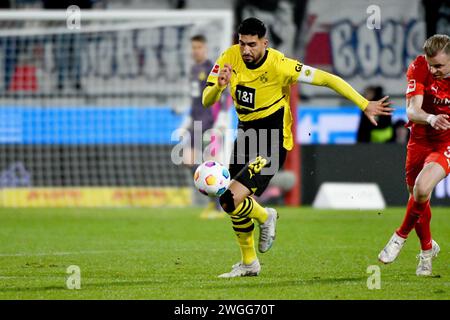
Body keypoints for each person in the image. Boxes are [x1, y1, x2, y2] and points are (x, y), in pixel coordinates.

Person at [202, 17, 393, 278]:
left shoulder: (281, 65)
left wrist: (363, 103)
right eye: (242, 43)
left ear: (264, 43)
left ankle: (264, 219)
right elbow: (206, 99)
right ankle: (250, 261)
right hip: (245, 136)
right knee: (229, 202)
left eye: (252, 45)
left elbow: (327, 79)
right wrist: (220, 87)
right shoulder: (229, 57)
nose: (245, 50)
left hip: (272, 139)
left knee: (232, 197)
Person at [378, 34, 450, 276]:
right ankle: (427, 252)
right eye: (432, 64)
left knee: (421, 189)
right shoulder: (419, 66)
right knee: (418, 199)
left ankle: (399, 236)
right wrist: (431, 118)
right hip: (419, 140)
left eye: (439, 65)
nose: (434, 70)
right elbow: (412, 110)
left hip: (446, 143)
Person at [180, 34, 228, 219]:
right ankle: (212, 203)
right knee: (188, 160)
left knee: (213, 163)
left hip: (211, 121)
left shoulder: (211, 68)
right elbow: (194, 100)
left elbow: (223, 93)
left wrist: (222, 117)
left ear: (205, 48)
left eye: (199, 47)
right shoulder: (193, 69)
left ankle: (218, 207)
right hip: (196, 121)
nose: (196, 51)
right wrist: (187, 120)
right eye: (193, 47)